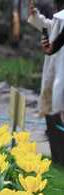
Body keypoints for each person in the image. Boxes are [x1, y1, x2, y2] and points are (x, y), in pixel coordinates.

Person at [28, 0, 64, 165]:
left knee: (56, 117)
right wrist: (36, 16)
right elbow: (50, 28)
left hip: (59, 80)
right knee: (52, 116)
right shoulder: (59, 20)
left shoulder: (61, 19)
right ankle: (58, 159)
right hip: (55, 78)